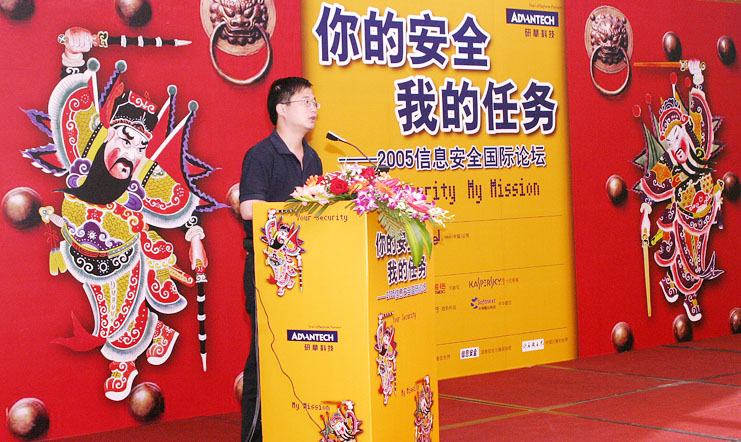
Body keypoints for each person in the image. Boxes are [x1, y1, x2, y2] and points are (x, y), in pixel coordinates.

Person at [239, 77, 323, 441]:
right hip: (268, 270)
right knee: (265, 357)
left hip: (305, 269)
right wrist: (297, 210)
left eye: (315, 102)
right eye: (306, 101)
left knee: (298, 354)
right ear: (282, 110)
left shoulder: (314, 157)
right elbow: (248, 208)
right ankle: (255, 436)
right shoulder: (261, 155)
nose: (314, 108)